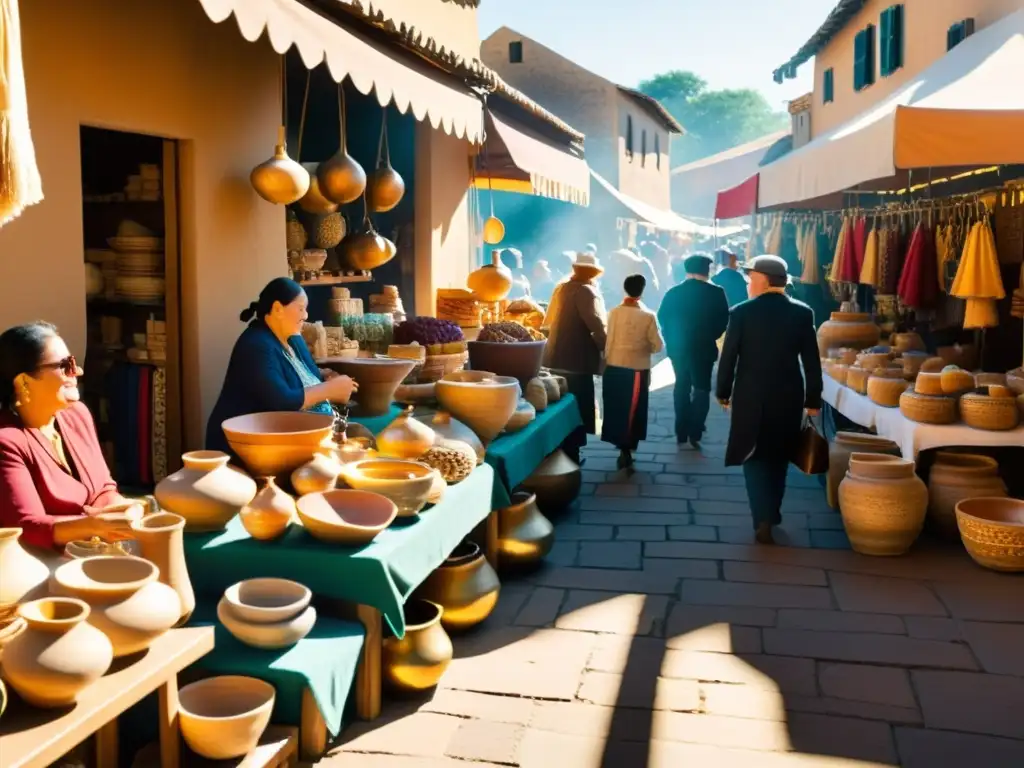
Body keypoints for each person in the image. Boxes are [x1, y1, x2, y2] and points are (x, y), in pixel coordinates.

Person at [0, 322, 141, 549]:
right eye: (65, 366)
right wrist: (93, 526)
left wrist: (122, 508)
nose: (77, 372)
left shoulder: (77, 415)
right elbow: (27, 527)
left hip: (91, 550)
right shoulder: (7, 441)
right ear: (24, 381)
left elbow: (103, 488)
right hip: (39, 564)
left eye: (73, 362)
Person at [716, 255, 822, 544]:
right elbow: (812, 362)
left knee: (753, 454)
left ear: (763, 279)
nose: (749, 283)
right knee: (779, 455)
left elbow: (728, 359)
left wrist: (722, 392)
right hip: (788, 396)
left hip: (750, 395)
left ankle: (761, 516)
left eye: (752, 279)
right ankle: (772, 512)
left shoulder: (741, 313)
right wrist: (813, 399)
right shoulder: (803, 313)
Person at [205, 277, 358, 455]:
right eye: (301, 309)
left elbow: (310, 375)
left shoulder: (293, 338)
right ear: (278, 309)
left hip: (293, 438)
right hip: (248, 449)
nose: (306, 315)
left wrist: (326, 376)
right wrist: (329, 390)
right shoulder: (255, 345)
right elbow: (282, 402)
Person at [658, 253, 730, 449]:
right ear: (706, 271)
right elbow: (724, 320)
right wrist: (711, 335)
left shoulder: (673, 292)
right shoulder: (716, 292)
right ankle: (695, 430)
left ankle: (681, 430)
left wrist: (672, 339)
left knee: (681, 386)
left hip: (678, 350)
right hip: (704, 349)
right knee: (701, 388)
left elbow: (662, 317)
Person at [542, 252, 608, 451]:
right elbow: (596, 325)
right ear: (593, 274)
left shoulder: (562, 288)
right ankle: (573, 453)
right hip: (578, 360)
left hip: (556, 358)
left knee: (561, 404)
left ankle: (562, 448)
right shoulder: (587, 291)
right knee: (578, 406)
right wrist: (606, 347)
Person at [602, 274, 664, 469]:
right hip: (636, 368)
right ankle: (626, 449)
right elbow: (657, 346)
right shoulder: (648, 316)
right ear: (642, 290)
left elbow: (608, 339)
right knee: (633, 411)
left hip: (612, 366)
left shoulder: (613, 312)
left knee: (616, 408)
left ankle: (620, 445)